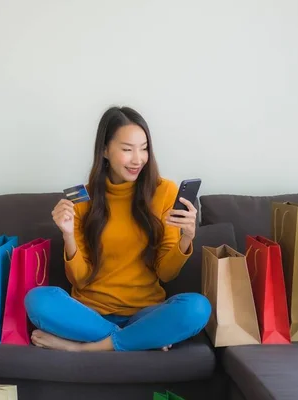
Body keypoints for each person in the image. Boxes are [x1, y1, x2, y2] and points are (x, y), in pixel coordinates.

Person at [24, 106, 211, 352]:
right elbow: (79, 278)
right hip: (90, 314)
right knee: (37, 300)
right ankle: (138, 340)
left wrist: (187, 238)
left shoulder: (164, 192)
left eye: (144, 148)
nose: (138, 159)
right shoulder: (83, 198)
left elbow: (166, 274)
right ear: (104, 150)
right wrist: (68, 234)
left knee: (197, 308)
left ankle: (85, 348)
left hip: (145, 312)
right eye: (127, 149)